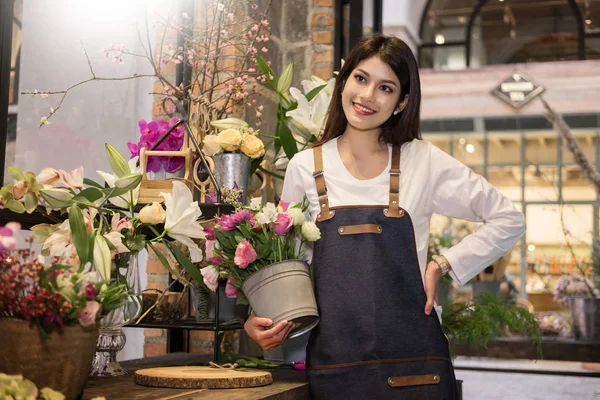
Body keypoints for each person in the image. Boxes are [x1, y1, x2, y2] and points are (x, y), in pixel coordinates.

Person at [244, 33, 526, 399]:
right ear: (344, 81)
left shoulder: (421, 160)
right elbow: (290, 265)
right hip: (337, 368)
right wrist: (259, 318)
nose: (366, 96)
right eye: (360, 79)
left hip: (416, 369)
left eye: (385, 88)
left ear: (402, 101)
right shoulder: (304, 167)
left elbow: (508, 218)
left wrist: (442, 263)